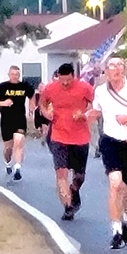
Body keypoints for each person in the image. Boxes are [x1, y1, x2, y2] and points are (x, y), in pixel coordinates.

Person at [89, 56, 127, 249]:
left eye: (118, 65)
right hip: (110, 141)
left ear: (124, 69)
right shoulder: (100, 91)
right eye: (111, 66)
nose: (114, 69)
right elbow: (97, 111)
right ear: (106, 70)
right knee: (115, 184)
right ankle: (115, 230)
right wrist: (85, 116)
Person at [40, 63, 95, 221]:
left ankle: (74, 190)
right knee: (61, 174)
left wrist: (84, 113)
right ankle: (68, 207)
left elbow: (94, 105)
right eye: (62, 80)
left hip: (80, 137)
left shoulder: (84, 88)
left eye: (68, 80)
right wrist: (47, 114)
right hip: (59, 136)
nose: (65, 83)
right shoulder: (50, 88)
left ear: (73, 76)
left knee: (79, 176)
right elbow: (42, 104)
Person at [0, 66, 36, 180]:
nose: (15, 76)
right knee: (8, 148)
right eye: (13, 74)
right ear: (9, 74)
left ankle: (17, 168)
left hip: (20, 119)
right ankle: (8, 163)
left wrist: (31, 109)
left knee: (19, 141)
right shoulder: (1, 87)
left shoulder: (24, 86)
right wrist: (3, 103)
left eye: (17, 74)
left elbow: (32, 97)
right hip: (6, 120)